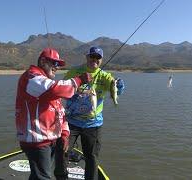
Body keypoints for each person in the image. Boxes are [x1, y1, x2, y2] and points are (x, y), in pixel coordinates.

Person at [15, 47, 92, 180]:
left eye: (59, 65)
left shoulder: (47, 83)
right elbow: (55, 90)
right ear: (43, 61)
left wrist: (64, 133)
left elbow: (60, 111)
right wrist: (78, 80)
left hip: (50, 140)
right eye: (54, 63)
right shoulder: (31, 76)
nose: (57, 67)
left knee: (40, 175)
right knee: (43, 177)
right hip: (37, 141)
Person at [61, 46, 125, 180]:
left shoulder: (105, 76)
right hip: (71, 122)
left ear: (101, 60)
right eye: (92, 56)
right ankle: (61, 177)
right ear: (87, 57)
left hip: (93, 124)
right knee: (62, 152)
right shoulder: (75, 71)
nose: (94, 60)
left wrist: (118, 87)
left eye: (98, 58)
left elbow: (115, 91)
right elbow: (62, 89)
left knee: (91, 157)